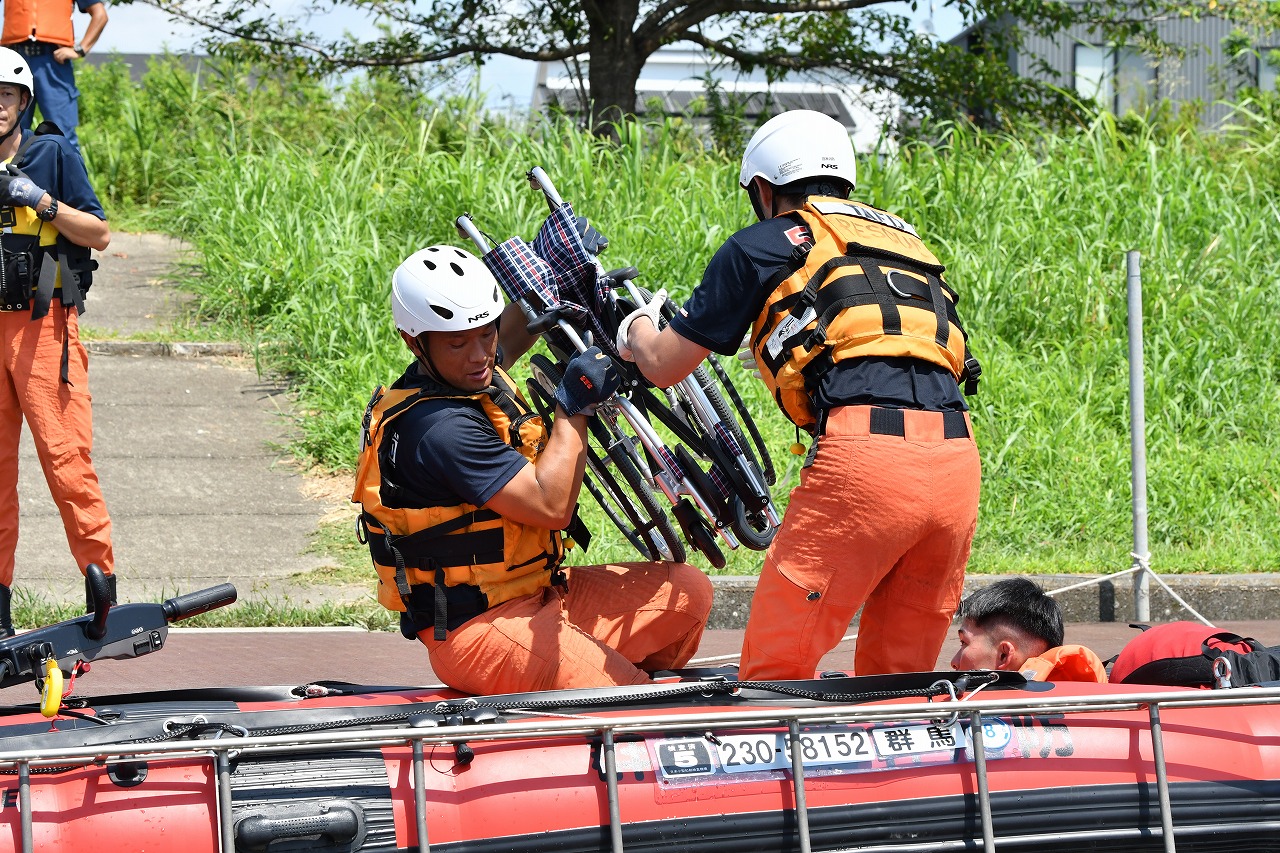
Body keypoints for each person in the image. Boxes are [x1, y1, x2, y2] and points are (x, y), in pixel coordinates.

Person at [616, 109, 982, 680]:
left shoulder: (763, 244)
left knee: (777, 666)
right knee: (899, 675)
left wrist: (635, 328)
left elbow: (664, 364)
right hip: (958, 462)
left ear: (764, 188)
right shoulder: (905, 242)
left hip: (867, 460)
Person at [352, 244, 713, 695]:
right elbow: (551, 504)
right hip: (478, 628)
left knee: (688, 594)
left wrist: (553, 266)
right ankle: (604, 684)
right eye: (458, 342)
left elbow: (522, 325)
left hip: (543, 595)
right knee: (632, 698)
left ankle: (586, 675)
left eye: (486, 333)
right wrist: (572, 405)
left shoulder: (465, 371)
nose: (481, 354)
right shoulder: (438, 430)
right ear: (413, 341)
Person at [0, 46, 112, 637]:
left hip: (42, 327)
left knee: (67, 462)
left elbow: (99, 232)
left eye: (7, 96)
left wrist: (39, 200)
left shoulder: (51, 151)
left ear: (23, 102)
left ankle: (101, 592)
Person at [950, 578, 1107, 683]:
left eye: (964, 642)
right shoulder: (1090, 706)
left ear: (1004, 655)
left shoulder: (975, 723)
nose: (954, 662)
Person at [2, 0, 106, 152]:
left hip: (53, 63)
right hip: (13, 62)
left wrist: (80, 49)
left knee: (63, 138)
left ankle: (68, 175)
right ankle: (9, 176)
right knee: (6, 135)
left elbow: (100, 14)